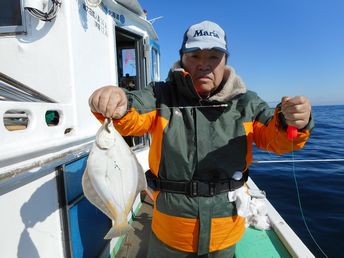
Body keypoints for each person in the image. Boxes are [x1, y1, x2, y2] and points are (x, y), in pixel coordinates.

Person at [89, 20, 313, 258]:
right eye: (195, 55)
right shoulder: (160, 95)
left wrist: (293, 122)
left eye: (214, 56)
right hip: (170, 233)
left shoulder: (247, 102)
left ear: (226, 60)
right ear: (182, 58)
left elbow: (276, 140)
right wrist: (119, 101)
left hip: (225, 233)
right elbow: (132, 117)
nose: (204, 65)